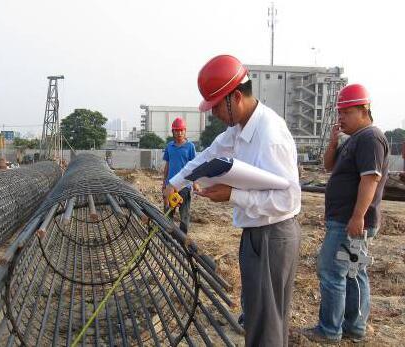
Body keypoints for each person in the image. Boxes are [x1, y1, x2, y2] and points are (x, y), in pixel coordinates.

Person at [164, 54, 301, 346]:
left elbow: (287, 200)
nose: (213, 115)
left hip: (273, 235)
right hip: (256, 232)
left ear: (235, 97)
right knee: (256, 316)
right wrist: (174, 183)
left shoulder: (270, 134)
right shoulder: (238, 129)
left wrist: (233, 194)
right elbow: (208, 156)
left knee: (268, 326)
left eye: (215, 108)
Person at [302, 84, 389, 343]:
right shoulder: (354, 139)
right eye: (339, 112)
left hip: (349, 222)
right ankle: (354, 326)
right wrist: (332, 144)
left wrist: (357, 216)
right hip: (345, 221)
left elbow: (370, 180)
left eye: (346, 112)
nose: (340, 118)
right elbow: (329, 167)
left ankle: (329, 330)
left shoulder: (370, 138)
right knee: (352, 273)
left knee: (331, 272)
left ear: (364, 110)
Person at [162, 117, 196, 233]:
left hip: (184, 187)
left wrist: (195, 183)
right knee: (168, 213)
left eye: (181, 130)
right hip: (170, 186)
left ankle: (182, 241)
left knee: (184, 216)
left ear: (185, 131)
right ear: (173, 132)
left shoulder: (190, 147)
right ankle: (167, 238)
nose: (179, 133)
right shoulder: (169, 147)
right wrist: (164, 183)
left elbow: (194, 166)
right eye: (177, 130)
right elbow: (167, 165)